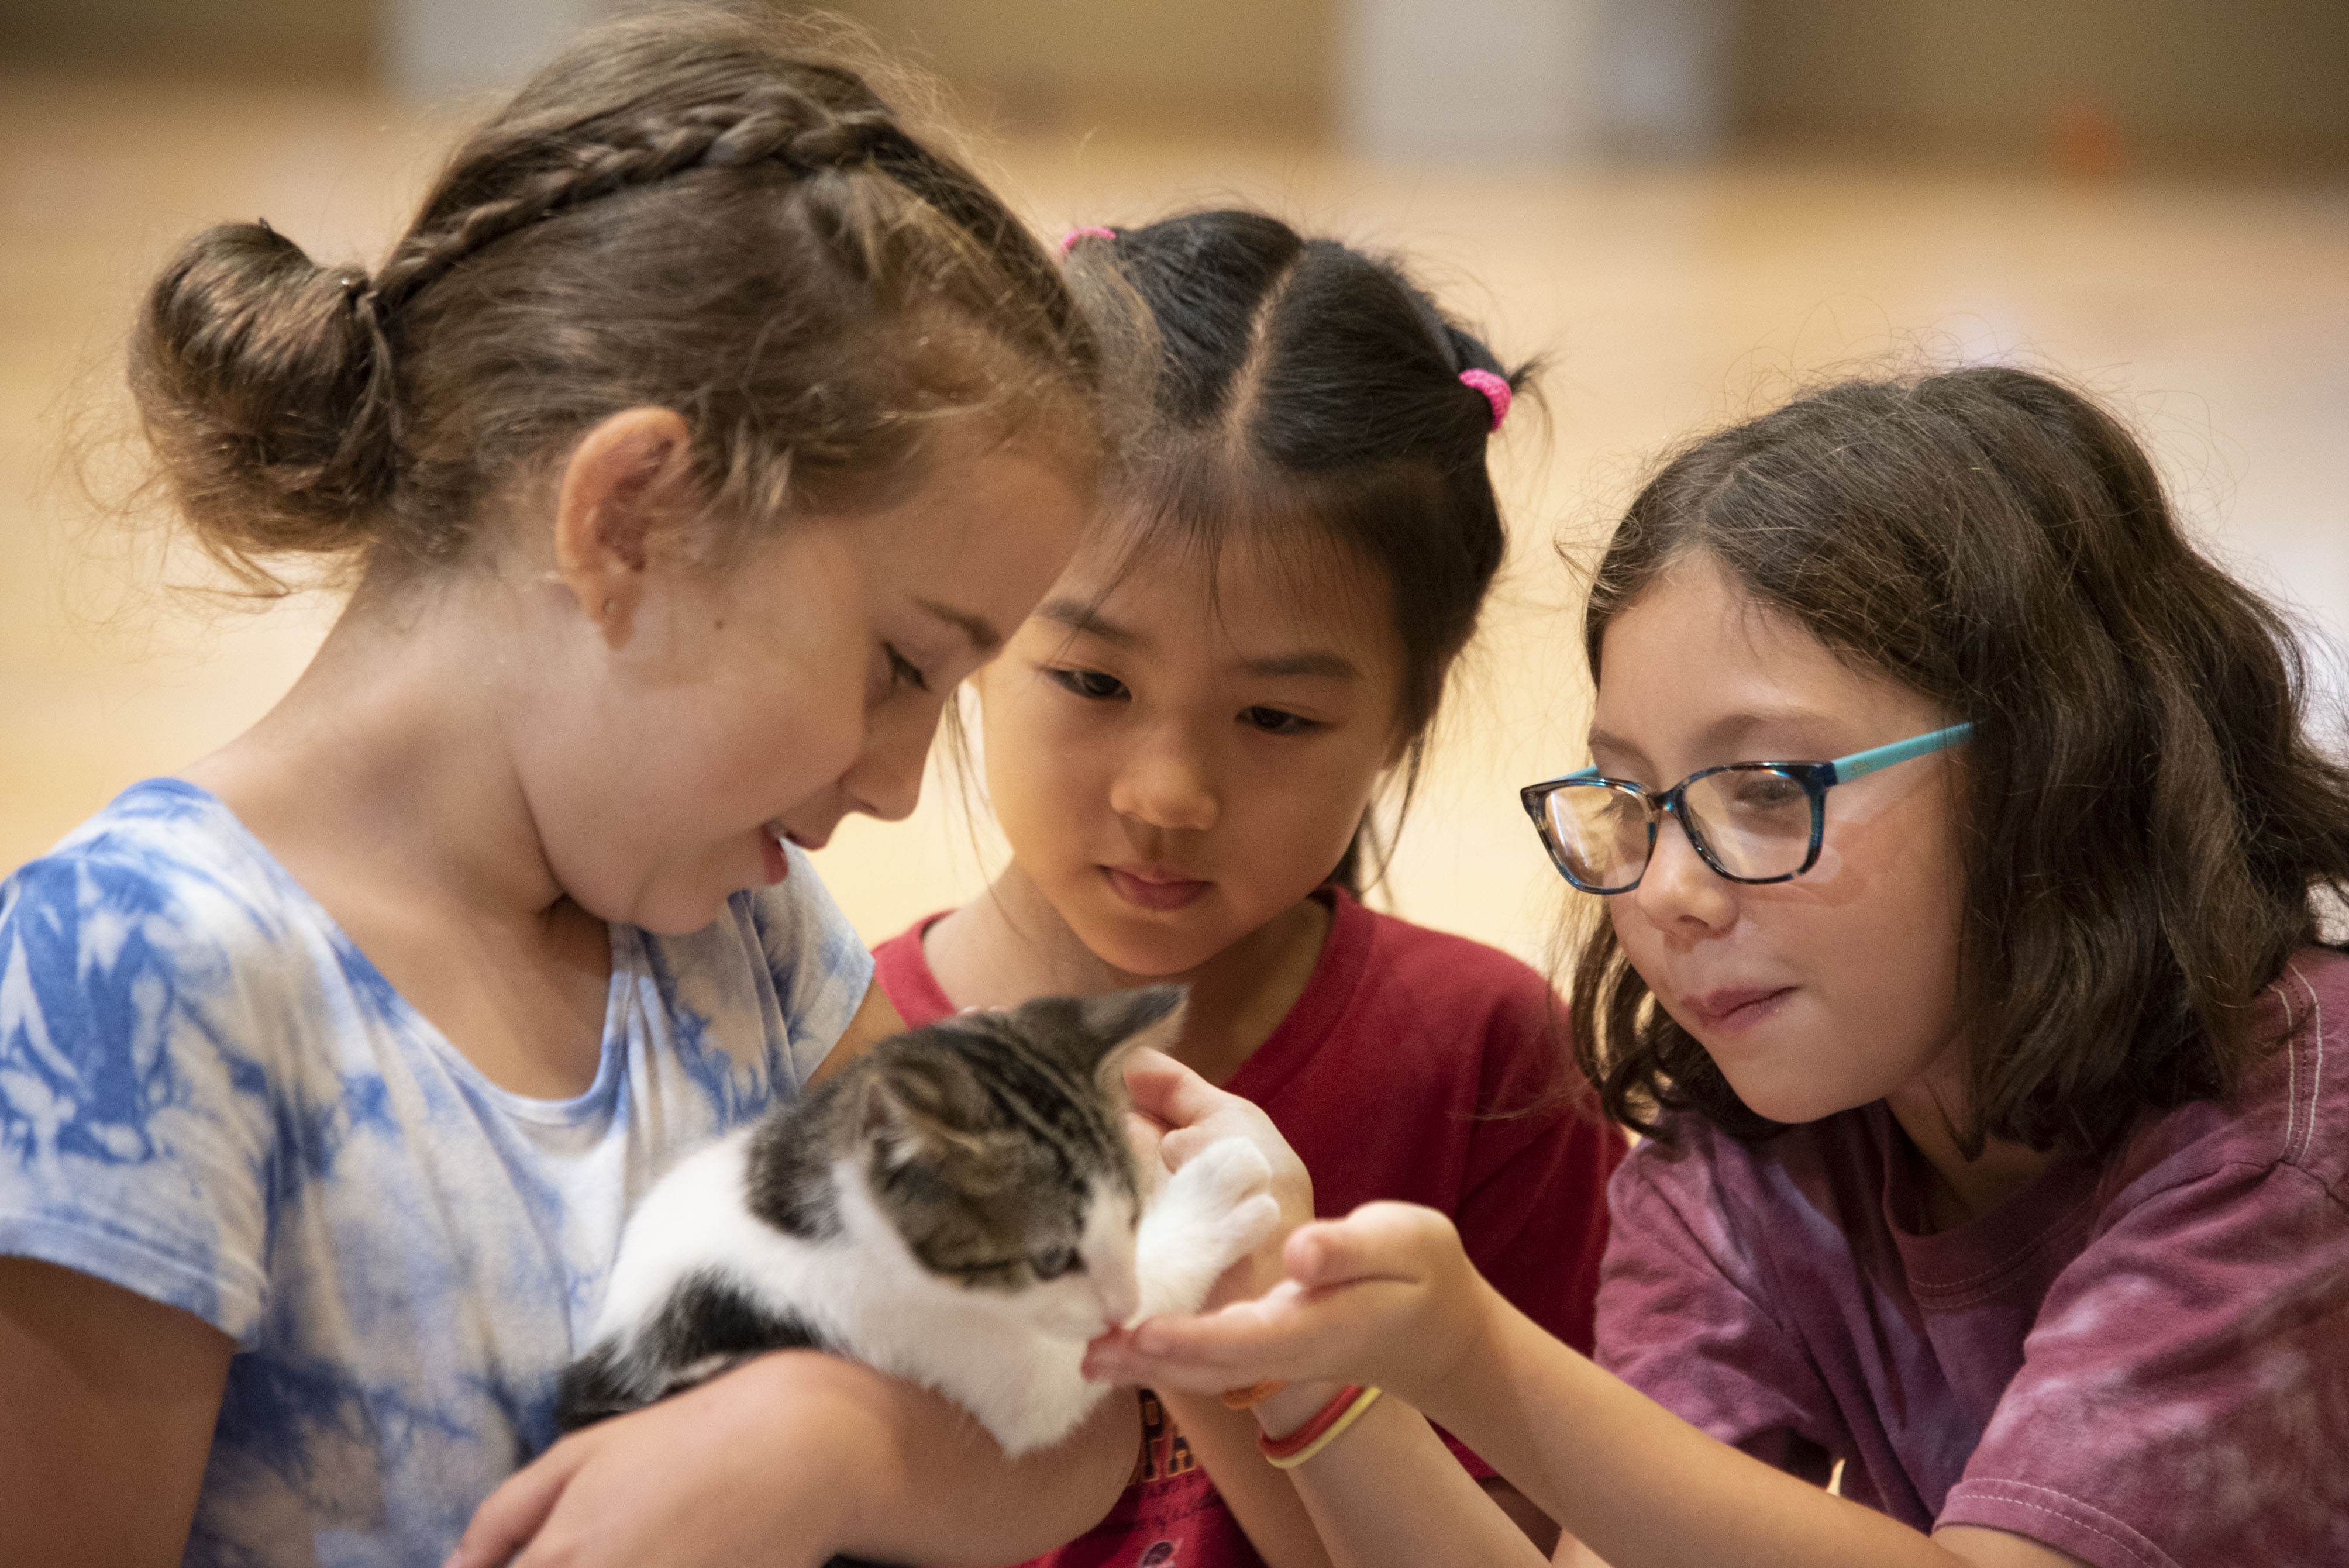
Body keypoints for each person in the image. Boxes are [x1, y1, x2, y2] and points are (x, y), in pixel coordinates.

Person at [0, 11, 1208, 1566]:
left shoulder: (741, 936)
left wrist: (836, 1446)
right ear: (634, 515)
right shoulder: (138, 977)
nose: (904, 788)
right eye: (903, 665)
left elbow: (1086, 1427)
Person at [1084, 366, 2349, 1568]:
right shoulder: (1754, 1162)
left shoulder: (2290, 1128)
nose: (1667, 893)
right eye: (1627, 797)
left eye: (1762, 789)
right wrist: (1317, 1363)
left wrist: (1477, 1358)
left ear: (2047, 764)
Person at [879, 210, 1625, 1568]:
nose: (1169, 794)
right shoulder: (831, 1040)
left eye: (1275, 718)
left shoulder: (1488, 1062)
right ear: (971, 624)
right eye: (1095, 683)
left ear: (1404, 716)